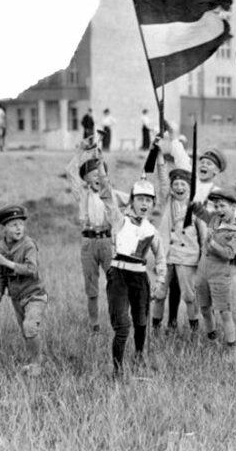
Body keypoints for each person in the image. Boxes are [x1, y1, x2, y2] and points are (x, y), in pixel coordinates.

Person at [65, 136, 129, 332]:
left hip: (108, 241)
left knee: (115, 284)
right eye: (90, 174)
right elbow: (70, 172)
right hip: (88, 243)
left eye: (98, 173)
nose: (95, 177)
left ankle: (118, 321)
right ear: (85, 178)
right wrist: (81, 151)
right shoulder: (82, 195)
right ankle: (94, 325)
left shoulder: (113, 194)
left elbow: (134, 201)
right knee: (91, 288)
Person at [106, 178, 166, 379]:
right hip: (118, 276)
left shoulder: (151, 229)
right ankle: (117, 370)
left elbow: (160, 258)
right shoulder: (119, 220)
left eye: (149, 200)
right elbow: (107, 194)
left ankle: (140, 356)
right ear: (131, 201)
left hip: (139, 277)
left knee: (141, 322)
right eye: (140, 199)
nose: (144, 204)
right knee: (122, 325)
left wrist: (160, 282)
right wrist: (100, 168)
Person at [150, 150, 207, 334]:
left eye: (183, 184)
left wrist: (204, 259)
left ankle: (194, 332)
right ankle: (156, 330)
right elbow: (163, 182)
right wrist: (159, 159)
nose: (179, 187)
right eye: (176, 184)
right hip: (166, 255)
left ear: (189, 187)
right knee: (159, 294)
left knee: (190, 297)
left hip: (188, 257)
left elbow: (205, 236)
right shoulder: (167, 201)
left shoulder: (197, 207)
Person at [0, 205, 48, 377]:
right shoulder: (0, 249)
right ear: (3, 228)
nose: (19, 228)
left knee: (29, 327)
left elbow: (31, 269)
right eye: (13, 225)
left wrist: (8, 263)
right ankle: (33, 360)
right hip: (16, 297)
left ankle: (36, 366)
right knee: (25, 332)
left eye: (21, 224)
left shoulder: (28, 245)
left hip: (35, 295)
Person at [192, 187, 236, 355]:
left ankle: (232, 352)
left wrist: (212, 243)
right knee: (205, 309)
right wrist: (192, 200)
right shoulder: (214, 219)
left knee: (224, 312)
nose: (219, 210)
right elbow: (199, 210)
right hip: (202, 271)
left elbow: (230, 254)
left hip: (220, 274)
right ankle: (212, 340)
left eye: (223, 206)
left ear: (234, 206)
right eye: (216, 206)